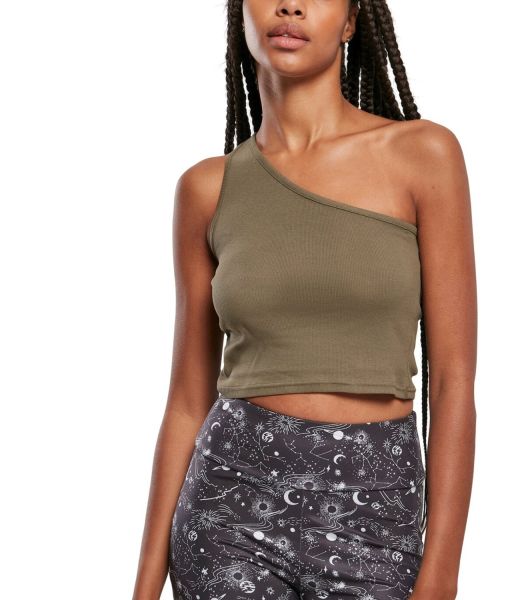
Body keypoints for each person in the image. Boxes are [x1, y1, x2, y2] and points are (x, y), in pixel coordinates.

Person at [132, 1, 477, 599]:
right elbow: (187, 402)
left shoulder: (423, 155)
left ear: (350, 21)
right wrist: (143, 589)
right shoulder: (207, 189)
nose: (290, 5)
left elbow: (453, 381)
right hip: (229, 509)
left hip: (378, 514)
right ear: (240, 14)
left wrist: (442, 575)